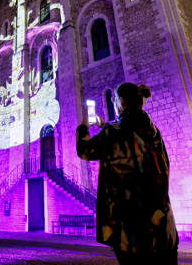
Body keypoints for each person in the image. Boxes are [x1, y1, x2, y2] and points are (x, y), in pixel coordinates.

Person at [76, 83, 178, 265]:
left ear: (121, 102)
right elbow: (131, 140)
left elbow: (85, 151)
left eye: (114, 99)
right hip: (164, 230)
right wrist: (106, 126)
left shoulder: (111, 134)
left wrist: (84, 126)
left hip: (132, 233)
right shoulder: (154, 133)